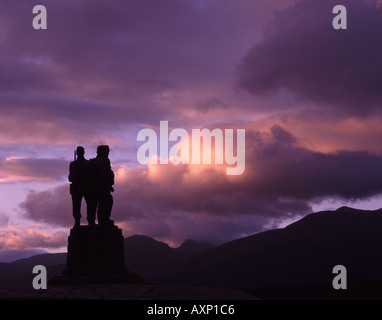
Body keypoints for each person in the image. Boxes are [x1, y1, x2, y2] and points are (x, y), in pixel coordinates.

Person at [87, 145, 115, 226]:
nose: (108, 153)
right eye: (106, 152)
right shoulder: (104, 161)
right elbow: (104, 174)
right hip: (101, 187)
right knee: (106, 201)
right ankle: (103, 220)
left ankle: (92, 221)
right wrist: (108, 185)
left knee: (94, 204)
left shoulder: (92, 162)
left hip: (94, 187)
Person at [68, 146, 90, 227]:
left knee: (89, 204)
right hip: (77, 188)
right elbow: (70, 178)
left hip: (86, 187)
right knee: (76, 206)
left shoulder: (87, 163)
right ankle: (77, 220)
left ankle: (90, 220)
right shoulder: (73, 164)